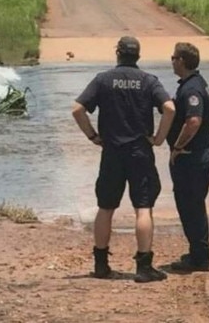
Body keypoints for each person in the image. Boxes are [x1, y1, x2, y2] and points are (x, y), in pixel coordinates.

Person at [72, 36, 175, 283]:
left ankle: (101, 264)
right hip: (140, 152)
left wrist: (92, 136)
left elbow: (77, 109)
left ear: (117, 53)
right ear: (138, 55)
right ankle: (143, 266)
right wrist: (159, 138)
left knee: (106, 207)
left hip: (112, 152)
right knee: (143, 208)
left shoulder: (103, 80)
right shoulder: (149, 81)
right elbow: (170, 108)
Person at [167, 42, 209, 272]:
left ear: (182, 61)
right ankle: (199, 252)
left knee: (190, 206)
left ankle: (200, 258)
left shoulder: (192, 89)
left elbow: (193, 121)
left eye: (174, 57)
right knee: (194, 205)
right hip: (198, 155)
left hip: (191, 157)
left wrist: (177, 147)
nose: (172, 60)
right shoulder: (194, 84)